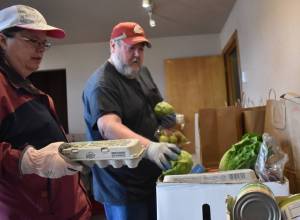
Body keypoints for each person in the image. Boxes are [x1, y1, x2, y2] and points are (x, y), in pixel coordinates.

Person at [0, 5, 91, 219]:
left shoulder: (33, 93)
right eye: (32, 40)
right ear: (2, 40)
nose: (40, 49)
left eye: (44, 43)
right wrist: (29, 160)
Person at [82, 21, 181, 220]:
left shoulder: (140, 72)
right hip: (122, 187)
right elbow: (109, 126)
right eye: (131, 48)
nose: (137, 54)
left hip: (151, 178)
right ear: (113, 46)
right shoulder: (102, 84)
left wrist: (167, 121)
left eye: (141, 48)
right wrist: (150, 148)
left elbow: (155, 105)